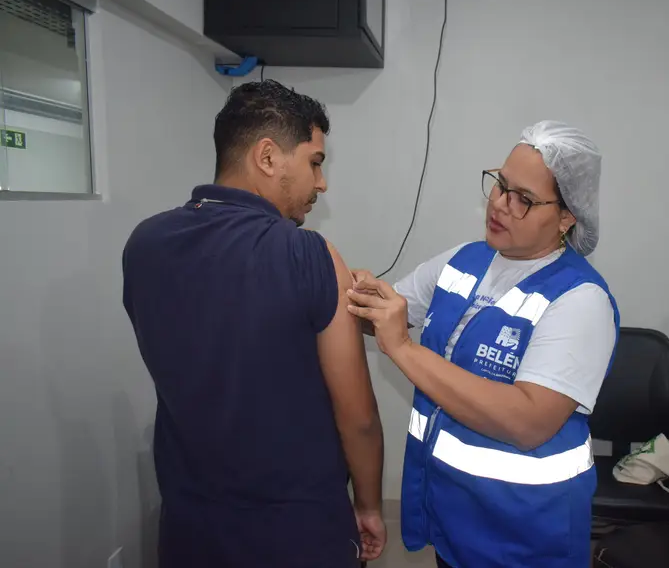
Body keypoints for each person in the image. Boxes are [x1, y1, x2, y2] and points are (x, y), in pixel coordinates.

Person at [122, 81, 386, 568]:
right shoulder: (309, 255)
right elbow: (360, 419)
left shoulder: (144, 244)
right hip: (296, 532)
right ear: (267, 157)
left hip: (189, 527)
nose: (321, 183)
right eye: (315, 162)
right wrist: (369, 506)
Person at [349, 121, 620, 567]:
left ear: (567, 217)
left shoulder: (580, 300)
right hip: (451, 513)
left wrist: (404, 348)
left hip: (522, 534)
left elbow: (528, 421)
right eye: (500, 184)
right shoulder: (466, 260)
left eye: (524, 199)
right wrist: (342, 286)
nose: (499, 204)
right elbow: (389, 312)